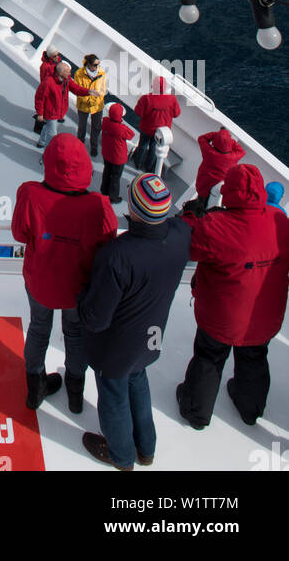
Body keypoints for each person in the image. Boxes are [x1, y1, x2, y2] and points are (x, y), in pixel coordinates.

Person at [78, 174, 191, 470]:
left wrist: (81, 297)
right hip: (151, 338)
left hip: (116, 348)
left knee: (114, 395)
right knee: (138, 380)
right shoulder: (181, 234)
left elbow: (96, 319)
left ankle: (121, 456)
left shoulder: (117, 255)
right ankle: (146, 449)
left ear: (134, 211)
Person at [176, 163, 289, 430]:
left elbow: (188, 249)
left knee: (209, 359)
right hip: (265, 317)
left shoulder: (216, 225)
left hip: (221, 317)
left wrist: (191, 218)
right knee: (254, 358)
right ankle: (250, 409)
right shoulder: (280, 221)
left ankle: (197, 413)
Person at [12, 134, 117, 412]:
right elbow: (108, 243)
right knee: (75, 335)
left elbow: (20, 234)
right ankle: (74, 395)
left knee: (38, 329)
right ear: (85, 166)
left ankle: (35, 390)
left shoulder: (30, 193)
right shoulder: (98, 205)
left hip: (40, 282)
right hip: (77, 288)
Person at [34, 60, 91, 151]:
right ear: (61, 73)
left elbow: (76, 88)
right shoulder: (48, 82)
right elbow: (39, 98)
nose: (70, 73)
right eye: (68, 71)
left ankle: (41, 142)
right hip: (51, 113)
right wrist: (40, 113)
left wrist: (88, 91)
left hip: (58, 111)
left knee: (47, 127)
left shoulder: (67, 79)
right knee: (52, 136)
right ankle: (49, 154)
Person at [133, 77, 181, 173]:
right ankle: (149, 167)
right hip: (161, 132)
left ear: (153, 87)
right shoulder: (172, 99)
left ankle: (138, 164)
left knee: (142, 145)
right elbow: (176, 114)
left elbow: (138, 112)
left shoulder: (146, 98)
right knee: (154, 148)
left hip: (147, 129)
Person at [191, 128, 245, 211]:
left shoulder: (209, 152)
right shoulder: (233, 157)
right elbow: (242, 151)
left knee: (201, 200)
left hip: (204, 182)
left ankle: (198, 210)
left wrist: (216, 135)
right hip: (220, 184)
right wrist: (230, 141)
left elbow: (202, 138)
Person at [100, 102, 135, 204]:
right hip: (118, 158)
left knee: (106, 172)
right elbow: (131, 135)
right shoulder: (121, 129)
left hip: (107, 154)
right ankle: (113, 197)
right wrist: (121, 123)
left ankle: (104, 190)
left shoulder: (105, 122)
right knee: (115, 177)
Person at [73, 54, 107, 157]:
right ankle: (80, 144)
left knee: (96, 127)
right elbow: (78, 90)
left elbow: (103, 89)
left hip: (97, 106)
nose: (97, 67)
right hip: (84, 105)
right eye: (95, 65)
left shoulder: (102, 73)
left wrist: (95, 99)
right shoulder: (79, 74)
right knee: (82, 126)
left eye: (98, 64)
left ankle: (94, 147)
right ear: (88, 64)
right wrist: (89, 100)